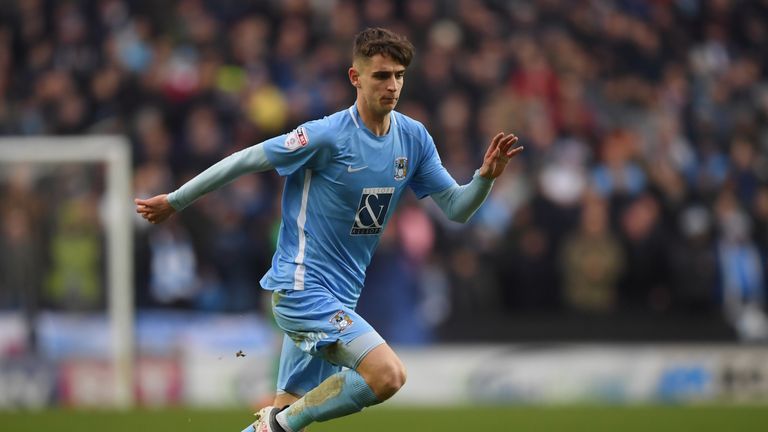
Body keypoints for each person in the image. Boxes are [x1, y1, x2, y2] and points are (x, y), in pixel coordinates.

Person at [135, 27, 522, 432]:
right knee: (387, 374)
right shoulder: (327, 136)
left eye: (399, 76)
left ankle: (276, 424)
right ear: (355, 78)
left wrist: (484, 178)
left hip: (341, 298)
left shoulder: (413, 138)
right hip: (302, 290)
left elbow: (457, 209)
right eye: (381, 76)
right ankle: (279, 423)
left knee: (288, 422)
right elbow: (247, 159)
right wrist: (175, 200)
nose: (392, 86)